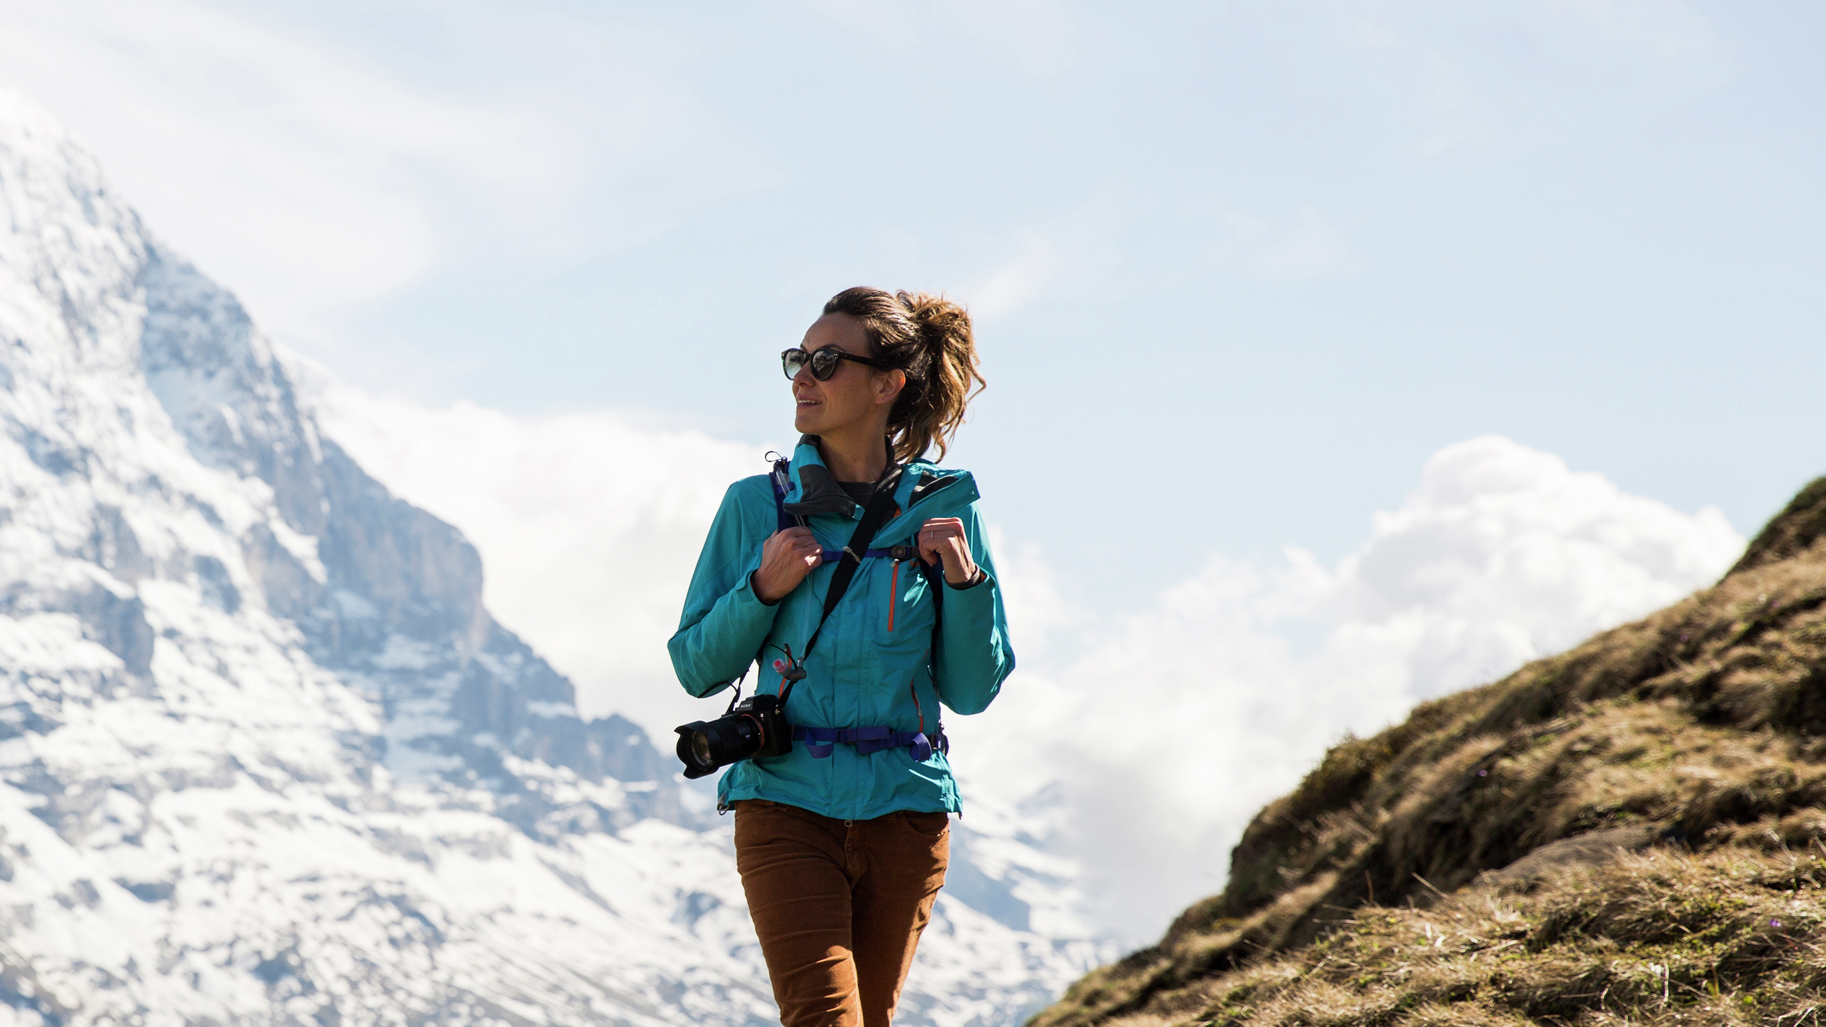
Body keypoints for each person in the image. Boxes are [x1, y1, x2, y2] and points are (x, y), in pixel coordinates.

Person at [668, 286, 1014, 1027]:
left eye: (825, 361)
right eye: (798, 360)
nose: (802, 377)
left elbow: (972, 687)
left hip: (908, 812)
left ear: (888, 384)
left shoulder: (949, 508)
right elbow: (695, 664)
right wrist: (761, 588)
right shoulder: (754, 506)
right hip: (785, 804)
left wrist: (965, 581)